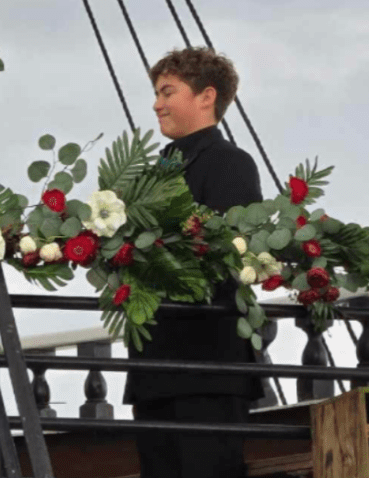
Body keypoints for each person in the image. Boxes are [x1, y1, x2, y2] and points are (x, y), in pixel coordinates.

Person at [124, 47, 263, 478]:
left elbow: (227, 257)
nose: (156, 103)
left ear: (206, 96)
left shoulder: (229, 164)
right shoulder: (152, 172)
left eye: (167, 91)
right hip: (155, 365)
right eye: (156, 92)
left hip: (208, 366)